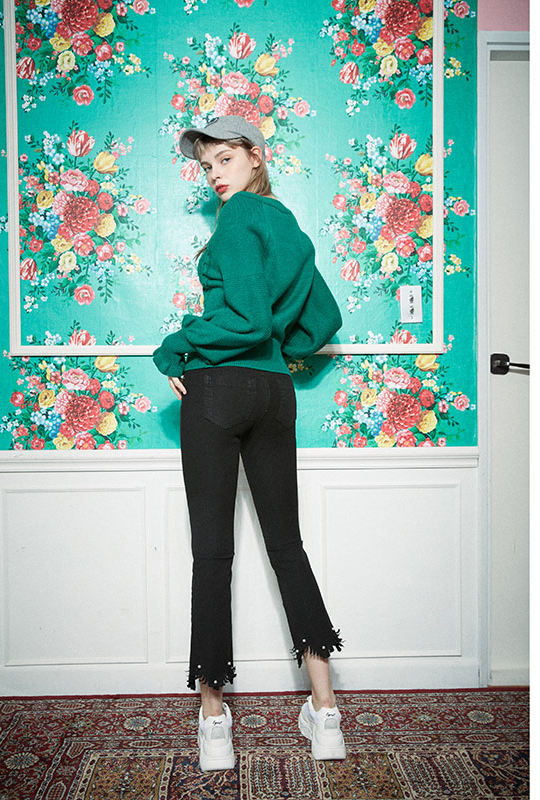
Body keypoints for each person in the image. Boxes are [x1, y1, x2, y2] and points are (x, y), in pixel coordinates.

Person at [152, 115, 346, 772]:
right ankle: (325, 714)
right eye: (207, 166)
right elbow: (322, 318)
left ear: (255, 156)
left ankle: (214, 726)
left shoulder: (235, 219)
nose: (215, 175)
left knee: (213, 553)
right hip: (273, 392)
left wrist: (176, 345)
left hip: (217, 390)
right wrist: (280, 355)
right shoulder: (286, 224)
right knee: (287, 548)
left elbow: (245, 317)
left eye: (225, 159)